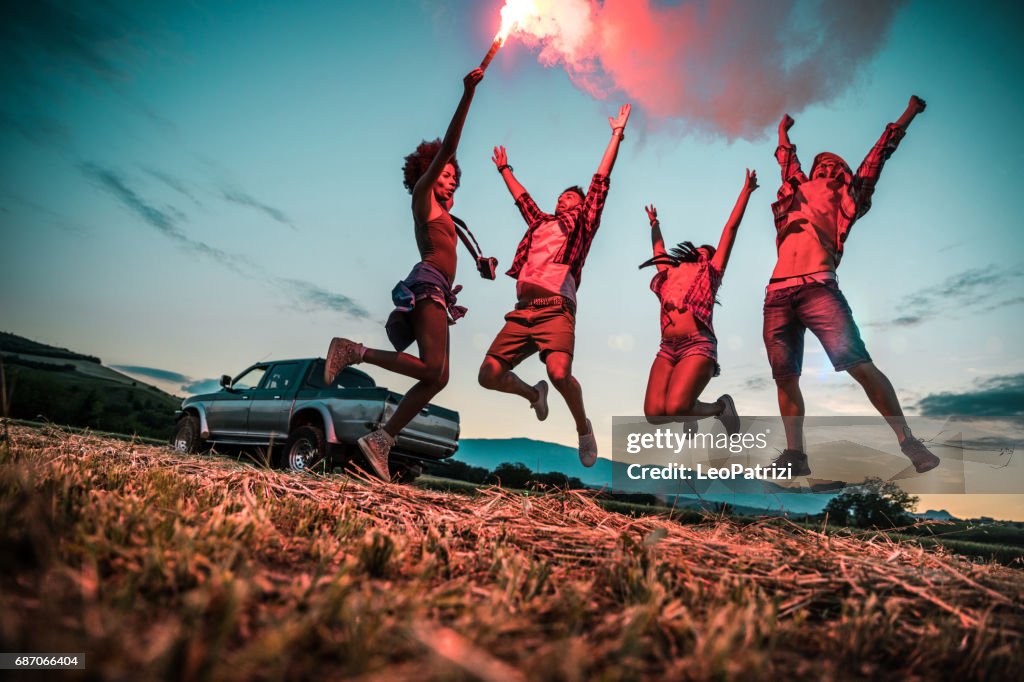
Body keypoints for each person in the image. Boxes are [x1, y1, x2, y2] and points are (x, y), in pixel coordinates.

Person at [764, 95, 939, 475]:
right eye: (820, 161)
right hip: (777, 293)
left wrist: (908, 112)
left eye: (834, 162)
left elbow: (881, 153)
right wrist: (782, 132)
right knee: (785, 377)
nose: (826, 162)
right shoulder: (797, 189)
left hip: (818, 287)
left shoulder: (849, 194)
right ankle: (796, 455)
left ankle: (908, 440)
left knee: (859, 365)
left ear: (843, 172)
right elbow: (786, 161)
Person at [323, 68, 484, 480]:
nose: (450, 177)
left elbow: (454, 250)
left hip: (439, 290)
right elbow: (450, 144)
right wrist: (468, 94)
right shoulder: (423, 197)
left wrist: (477, 269)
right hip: (426, 282)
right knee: (434, 371)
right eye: (444, 171)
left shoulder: (448, 215)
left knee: (438, 376)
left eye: (454, 175)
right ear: (428, 171)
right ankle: (353, 352)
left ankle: (382, 440)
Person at [477, 104, 632, 467]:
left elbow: (600, 182)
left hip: (556, 309)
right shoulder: (540, 222)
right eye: (562, 196)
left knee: (559, 372)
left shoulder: (582, 226)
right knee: (488, 375)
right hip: (522, 312)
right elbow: (522, 199)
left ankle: (583, 427)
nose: (564, 199)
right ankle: (533, 394)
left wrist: (616, 135)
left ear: (581, 206)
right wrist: (504, 169)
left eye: (571, 198)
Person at [640, 169, 759, 433]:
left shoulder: (711, 273)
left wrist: (746, 192)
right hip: (667, 347)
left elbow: (730, 229)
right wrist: (654, 223)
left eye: (708, 254)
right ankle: (691, 410)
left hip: (698, 344)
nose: (703, 255)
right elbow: (658, 250)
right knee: (654, 414)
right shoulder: (669, 274)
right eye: (700, 252)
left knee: (676, 408)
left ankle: (720, 407)